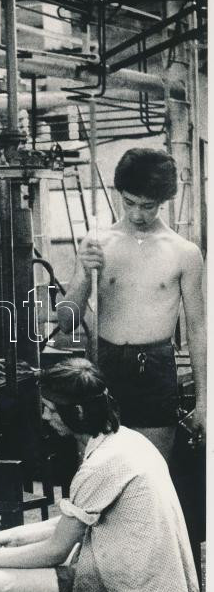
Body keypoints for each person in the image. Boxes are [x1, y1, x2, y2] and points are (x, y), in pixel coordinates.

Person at [0, 359, 200, 592]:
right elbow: (74, 521)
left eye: (50, 409)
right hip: (144, 578)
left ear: (77, 412)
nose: (45, 417)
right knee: (8, 562)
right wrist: (12, 536)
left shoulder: (101, 464)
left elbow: (56, 549)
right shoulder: (127, 441)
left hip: (124, 589)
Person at [56, 148, 206, 461]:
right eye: (129, 202)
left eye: (147, 206)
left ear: (163, 200)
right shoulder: (97, 244)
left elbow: (197, 329)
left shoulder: (185, 253)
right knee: (98, 468)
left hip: (155, 369)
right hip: (104, 364)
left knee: (152, 470)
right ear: (119, 193)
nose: (137, 214)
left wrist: (205, 401)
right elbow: (67, 322)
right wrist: (83, 275)